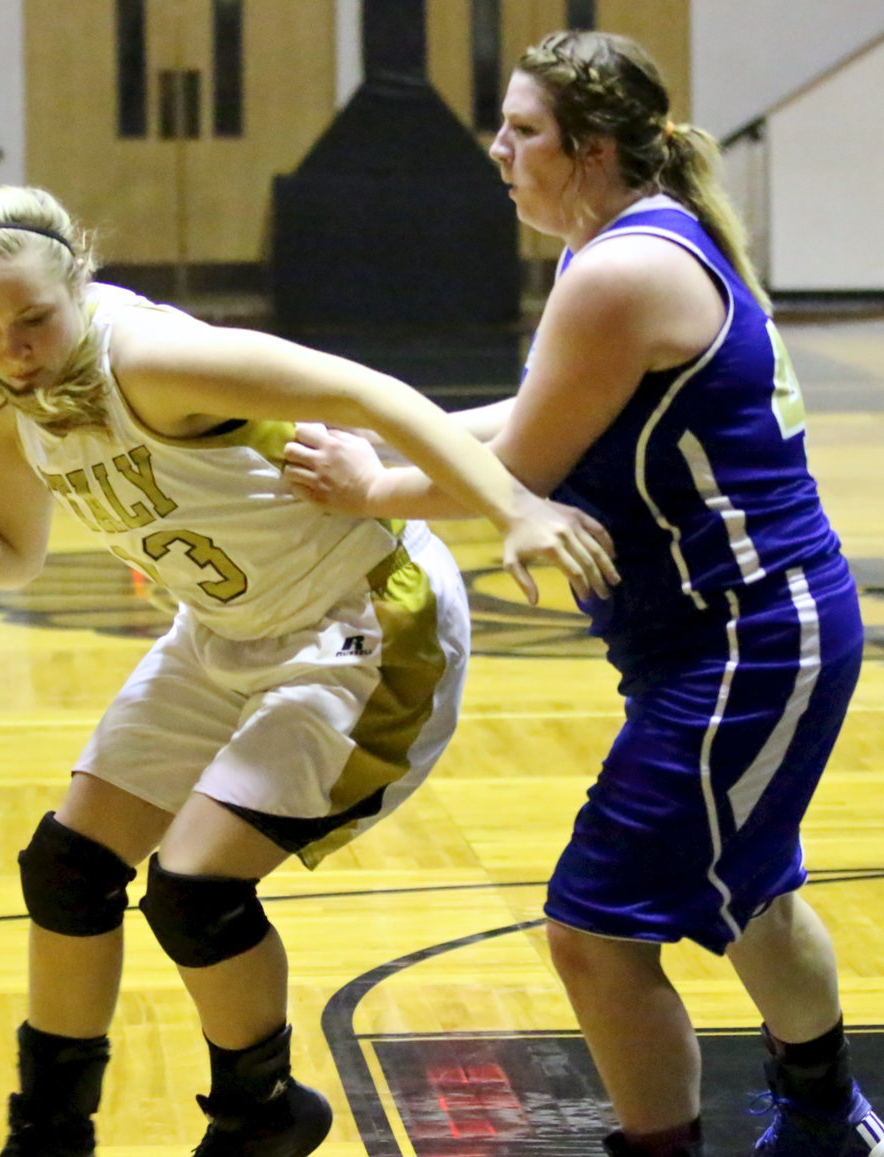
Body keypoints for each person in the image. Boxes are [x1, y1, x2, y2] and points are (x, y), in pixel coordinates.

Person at [0, 184, 616, 1157]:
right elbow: (8, 545)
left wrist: (513, 506)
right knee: (69, 866)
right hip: (225, 631)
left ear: (76, 284)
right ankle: (49, 1130)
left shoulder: (156, 359)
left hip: (365, 628)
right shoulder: (15, 394)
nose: (14, 347)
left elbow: (367, 393)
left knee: (195, 886)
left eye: (34, 319)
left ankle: (261, 1114)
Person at [281, 29, 882, 1157]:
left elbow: (526, 468)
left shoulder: (623, 271)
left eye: (522, 131)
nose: (497, 151)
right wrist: (388, 436)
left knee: (594, 928)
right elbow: (533, 415)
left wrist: (373, 487)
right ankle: (827, 1120)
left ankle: (723, 1137)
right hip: (720, 633)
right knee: (748, 892)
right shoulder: (615, 250)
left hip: (749, 639)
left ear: (593, 149)